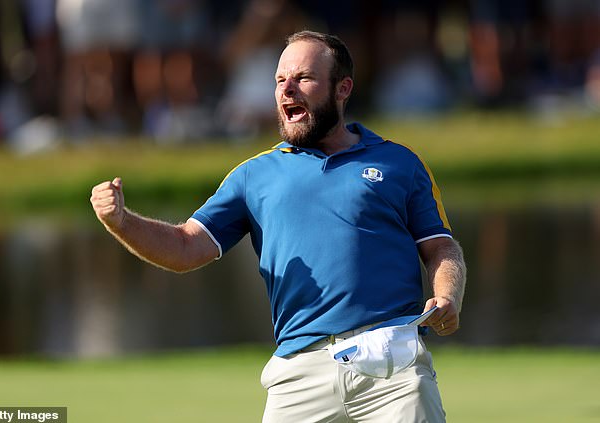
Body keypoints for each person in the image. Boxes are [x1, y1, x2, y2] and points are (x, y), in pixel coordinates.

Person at [90, 30, 466, 422]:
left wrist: (447, 296)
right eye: (279, 80)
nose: (287, 89)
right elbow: (185, 248)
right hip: (299, 373)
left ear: (343, 88)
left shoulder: (400, 164)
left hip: (392, 364)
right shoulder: (253, 176)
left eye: (303, 78)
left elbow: (441, 247)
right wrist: (121, 221)